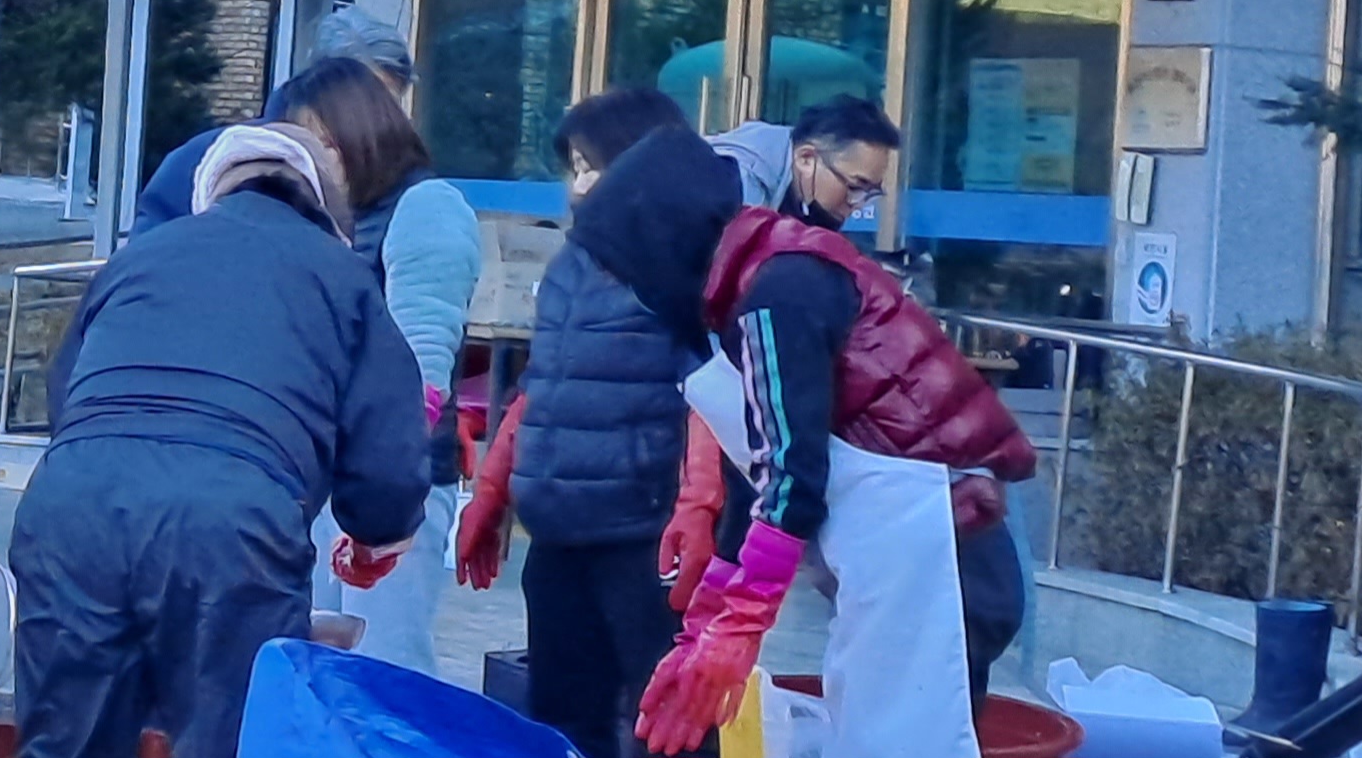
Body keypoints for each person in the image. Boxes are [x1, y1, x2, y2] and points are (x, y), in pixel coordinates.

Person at [587, 99, 1038, 755]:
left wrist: (740, 620)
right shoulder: (757, 281)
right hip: (902, 552)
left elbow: (793, 471)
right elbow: (764, 466)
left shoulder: (780, 293)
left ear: (662, 246)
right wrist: (709, 614)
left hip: (942, 553)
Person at [11, 124, 430, 758]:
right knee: (232, 741)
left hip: (73, 507)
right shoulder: (340, 275)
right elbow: (388, 452)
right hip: (231, 522)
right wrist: (378, 530)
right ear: (322, 207)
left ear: (212, 191)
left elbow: (66, 394)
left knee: (65, 743)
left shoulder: (140, 257)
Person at [456, 90, 705, 758]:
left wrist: (697, 509)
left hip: (640, 532)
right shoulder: (572, 260)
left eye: (591, 166)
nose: (579, 185)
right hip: (559, 531)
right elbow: (542, 386)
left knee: (666, 725)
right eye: (573, 167)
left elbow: (713, 399)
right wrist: (493, 491)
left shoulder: (683, 259)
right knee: (562, 720)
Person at [272, 54, 483, 679]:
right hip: (319, 475)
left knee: (385, 664)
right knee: (314, 661)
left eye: (324, 142)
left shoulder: (426, 206)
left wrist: (385, 484)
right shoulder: (327, 219)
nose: (314, 160)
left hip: (392, 478)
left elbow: (423, 364)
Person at [128, 6, 416, 235]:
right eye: (366, 103)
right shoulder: (203, 161)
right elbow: (147, 267)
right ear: (321, 82)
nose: (380, 121)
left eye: (390, 105)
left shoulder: (403, 184)